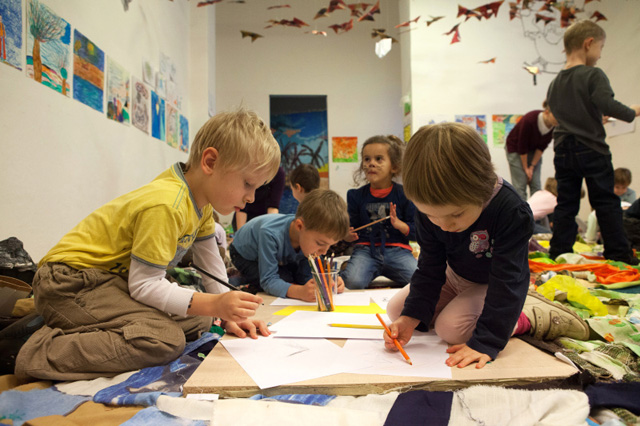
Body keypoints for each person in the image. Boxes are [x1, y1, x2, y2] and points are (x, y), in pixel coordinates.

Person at [15, 108, 280, 381]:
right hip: (68, 281)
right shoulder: (167, 204)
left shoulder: (200, 206)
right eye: (248, 184)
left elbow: (211, 267)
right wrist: (216, 304)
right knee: (164, 340)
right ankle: (29, 350)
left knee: (201, 318)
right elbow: (144, 285)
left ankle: (67, 323)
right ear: (210, 162)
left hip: (109, 281)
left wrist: (227, 314)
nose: (251, 197)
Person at [384, 123, 589, 369]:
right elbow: (430, 268)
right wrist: (411, 316)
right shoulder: (431, 207)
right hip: (455, 275)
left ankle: (526, 314)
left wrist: (486, 341)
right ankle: (458, 308)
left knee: (451, 329)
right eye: (431, 216)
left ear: (481, 191)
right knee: (398, 311)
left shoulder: (511, 210)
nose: (444, 225)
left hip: (494, 282)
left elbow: (508, 280)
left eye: (456, 214)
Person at [546, 19, 640, 264]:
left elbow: (565, 114)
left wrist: (595, 118)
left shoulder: (555, 82)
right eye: (600, 48)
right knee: (606, 202)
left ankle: (558, 251)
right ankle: (618, 253)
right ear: (588, 44)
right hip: (591, 148)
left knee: (566, 203)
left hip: (563, 149)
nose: (600, 55)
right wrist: (633, 111)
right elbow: (608, 104)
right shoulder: (593, 74)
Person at [228, 189, 349, 302]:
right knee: (285, 279)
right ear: (299, 226)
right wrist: (300, 292)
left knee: (300, 277)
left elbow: (310, 276)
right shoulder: (270, 234)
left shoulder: (308, 235)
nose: (324, 252)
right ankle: (236, 278)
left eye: (329, 246)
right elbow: (268, 280)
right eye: (320, 244)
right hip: (243, 254)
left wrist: (330, 282)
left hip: (281, 256)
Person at [339, 135, 418, 290]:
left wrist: (400, 225)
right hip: (366, 250)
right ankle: (350, 267)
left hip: (398, 251)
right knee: (353, 282)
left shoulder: (405, 194)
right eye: (367, 159)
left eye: (379, 159)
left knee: (419, 281)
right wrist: (347, 236)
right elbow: (351, 230)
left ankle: (353, 267)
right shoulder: (355, 196)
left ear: (394, 167)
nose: (371, 164)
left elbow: (417, 233)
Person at [505, 101, 558, 200]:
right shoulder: (530, 120)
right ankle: (521, 209)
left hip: (533, 151)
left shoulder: (554, 127)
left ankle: (537, 209)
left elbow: (541, 148)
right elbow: (522, 146)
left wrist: (532, 167)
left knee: (536, 185)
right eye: (556, 116)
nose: (558, 120)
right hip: (516, 149)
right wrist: (526, 168)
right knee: (520, 186)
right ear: (547, 112)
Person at [232, 166, 286, 231]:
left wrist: (271, 232)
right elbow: (242, 208)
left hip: (265, 220)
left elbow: (273, 207)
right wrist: (241, 233)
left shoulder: (278, 172)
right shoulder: (247, 168)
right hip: (244, 217)